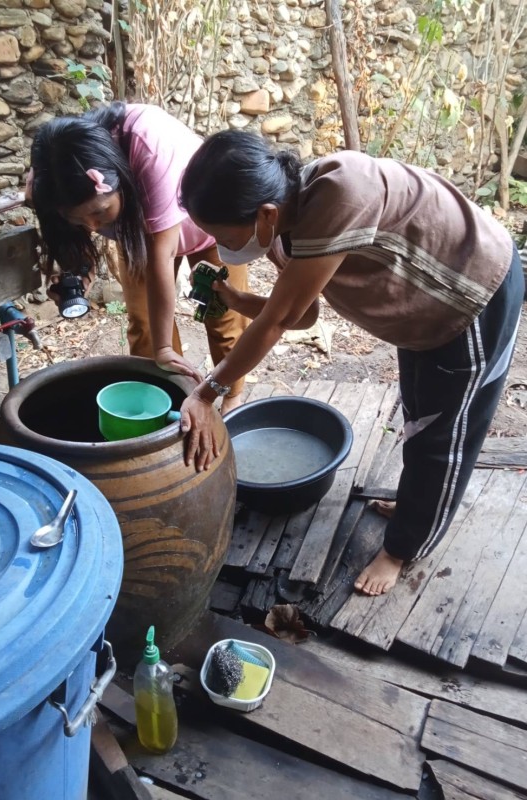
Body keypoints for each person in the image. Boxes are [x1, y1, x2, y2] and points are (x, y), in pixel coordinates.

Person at [177, 129, 523, 595]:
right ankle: (417, 505)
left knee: (443, 436)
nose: (219, 246)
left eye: (221, 235)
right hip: (423, 313)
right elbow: (304, 314)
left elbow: (279, 320)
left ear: (264, 213)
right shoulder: (284, 227)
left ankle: (403, 548)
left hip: (473, 296)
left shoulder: (340, 193)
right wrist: (237, 299)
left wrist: (207, 392)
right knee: (419, 417)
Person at [28, 102, 249, 414]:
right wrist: (77, 268)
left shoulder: (149, 144)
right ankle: (168, 404)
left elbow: (162, 255)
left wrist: (164, 347)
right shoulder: (54, 173)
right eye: (78, 220)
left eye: (100, 212)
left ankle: (231, 397)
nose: (92, 227)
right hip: (140, 235)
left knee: (222, 316)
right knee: (144, 325)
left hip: (212, 227)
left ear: (116, 177)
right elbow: (71, 230)